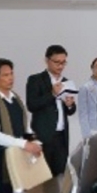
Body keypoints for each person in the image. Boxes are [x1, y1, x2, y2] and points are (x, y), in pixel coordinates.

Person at [0, 58, 43, 193]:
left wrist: (34, 141)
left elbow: (25, 126)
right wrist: (24, 144)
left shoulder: (15, 99)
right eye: (5, 75)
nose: (11, 78)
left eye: (11, 73)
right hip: (0, 160)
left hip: (20, 155)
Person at [26, 45, 76, 176]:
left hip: (61, 136)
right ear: (47, 60)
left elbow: (70, 111)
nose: (60, 66)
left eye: (63, 62)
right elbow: (32, 105)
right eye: (57, 62)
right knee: (43, 175)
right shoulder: (35, 80)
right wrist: (52, 94)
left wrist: (70, 105)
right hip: (43, 136)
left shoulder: (66, 82)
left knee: (60, 174)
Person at [77, 57, 97, 137]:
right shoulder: (85, 88)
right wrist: (87, 135)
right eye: (96, 67)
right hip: (93, 130)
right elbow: (83, 114)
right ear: (92, 68)